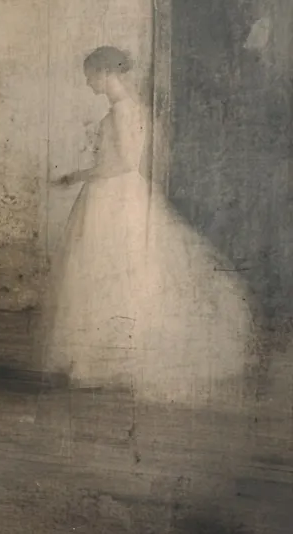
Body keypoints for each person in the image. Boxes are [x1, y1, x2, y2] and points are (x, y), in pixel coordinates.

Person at [42, 45, 254, 405]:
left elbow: (124, 162)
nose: (88, 82)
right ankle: (99, 361)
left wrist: (77, 174)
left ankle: (112, 361)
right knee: (105, 276)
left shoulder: (125, 111)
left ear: (107, 72)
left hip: (114, 196)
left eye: (91, 74)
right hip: (110, 195)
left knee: (114, 274)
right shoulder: (124, 109)